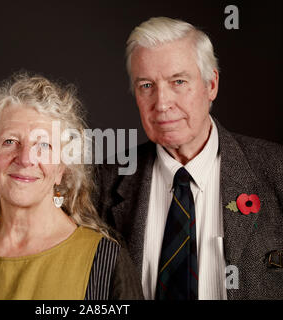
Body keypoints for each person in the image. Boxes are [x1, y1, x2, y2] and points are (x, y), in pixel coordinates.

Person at [96, 17, 283, 300]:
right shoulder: (102, 182)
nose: (161, 103)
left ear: (211, 85)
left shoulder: (275, 169)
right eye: (146, 85)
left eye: (179, 81)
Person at [0, 72, 144, 300]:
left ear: (62, 168)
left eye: (44, 145)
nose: (25, 158)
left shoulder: (107, 263)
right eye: (10, 142)